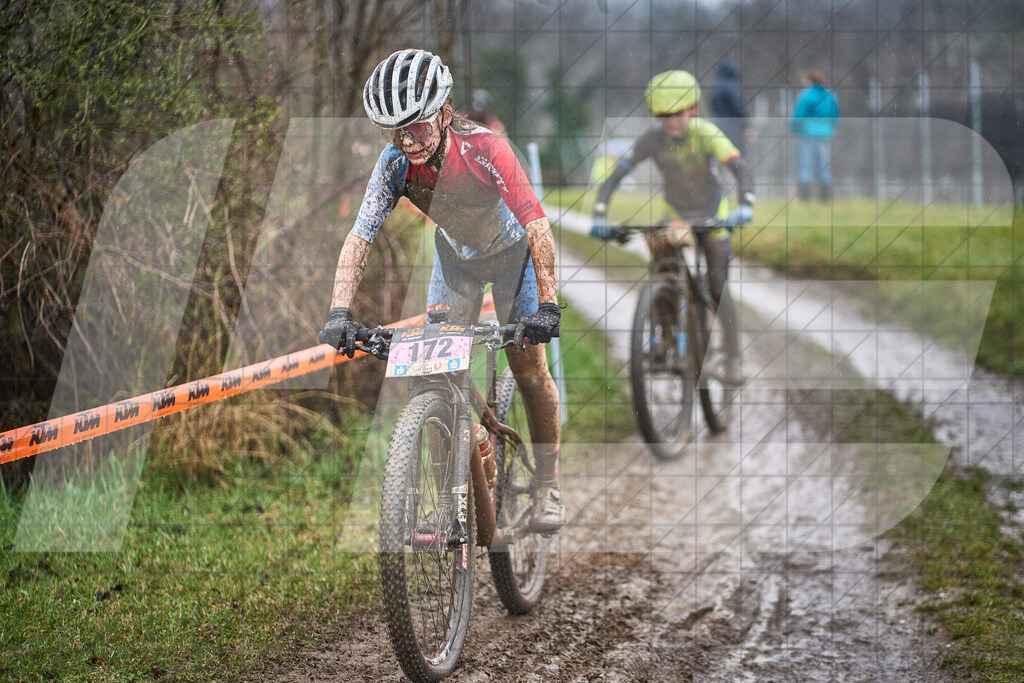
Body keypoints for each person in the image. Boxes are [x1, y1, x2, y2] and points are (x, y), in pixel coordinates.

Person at [319, 49, 564, 532]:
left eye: (417, 126)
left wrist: (550, 304)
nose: (406, 141)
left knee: (529, 368)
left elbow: (537, 225)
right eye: (394, 131)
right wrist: (339, 312)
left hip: (513, 257)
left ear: (445, 116)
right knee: (432, 373)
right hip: (457, 262)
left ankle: (548, 485)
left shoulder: (488, 149)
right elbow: (360, 235)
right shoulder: (394, 165)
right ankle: (448, 503)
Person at [590, 70, 754, 385]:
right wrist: (599, 214)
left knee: (718, 287)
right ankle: (665, 337)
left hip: (713, 214)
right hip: (675, 214)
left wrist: (745, 204)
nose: (672, 122)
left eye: (678, 113)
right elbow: (616, 175)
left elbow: (739, 167)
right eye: (664, 116)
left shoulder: (707, 134)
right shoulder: (652, 139)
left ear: (692, 109)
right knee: (663, 272)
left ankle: (734, 358)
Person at [791, 68, 841, 201]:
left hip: (806, 134)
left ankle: (805, 198)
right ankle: (825, 198)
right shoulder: (831, 95)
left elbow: (798, 116)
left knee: (805, 165)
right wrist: (828, 128)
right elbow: (835, 116)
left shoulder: (805, 95)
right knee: (824, 164)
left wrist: (794, 128)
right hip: (825, 134)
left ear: (809, 80)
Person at [710, 60, 751, 157]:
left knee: (721, 152)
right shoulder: (732, 87)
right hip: (734, 126)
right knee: (737, 153)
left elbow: (713, 106)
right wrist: (746, 126)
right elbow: (738, 108)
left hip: (719, 125)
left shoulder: (715, 88)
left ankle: (722, 171)